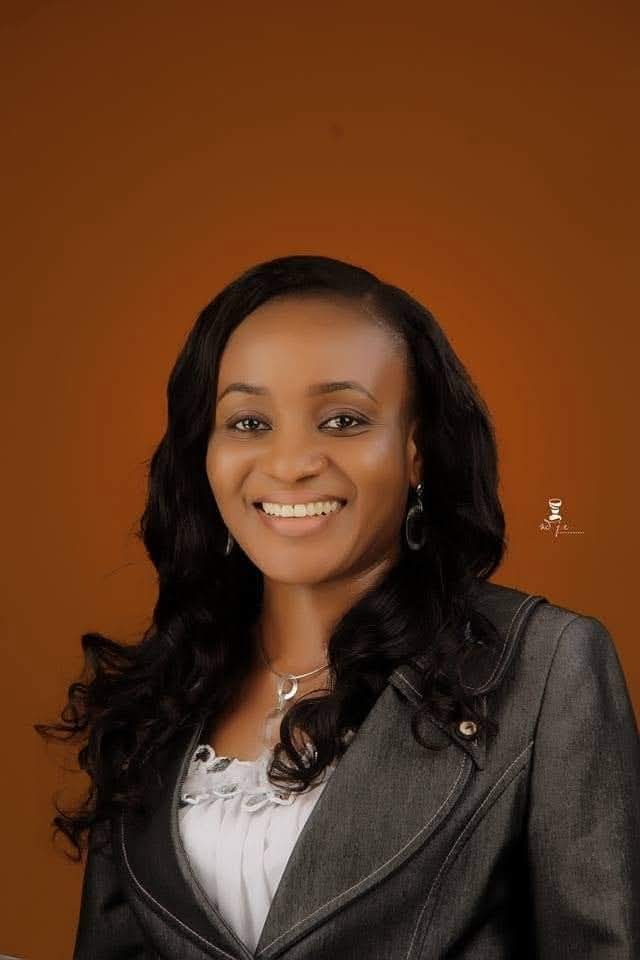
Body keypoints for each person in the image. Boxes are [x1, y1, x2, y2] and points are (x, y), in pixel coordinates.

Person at [37, 254, 640, 959]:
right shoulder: (159, 698)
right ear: (204, 452)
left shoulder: (548, 666)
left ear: (416, 450)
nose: (291, 463)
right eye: (249, 422)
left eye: (344, 419)